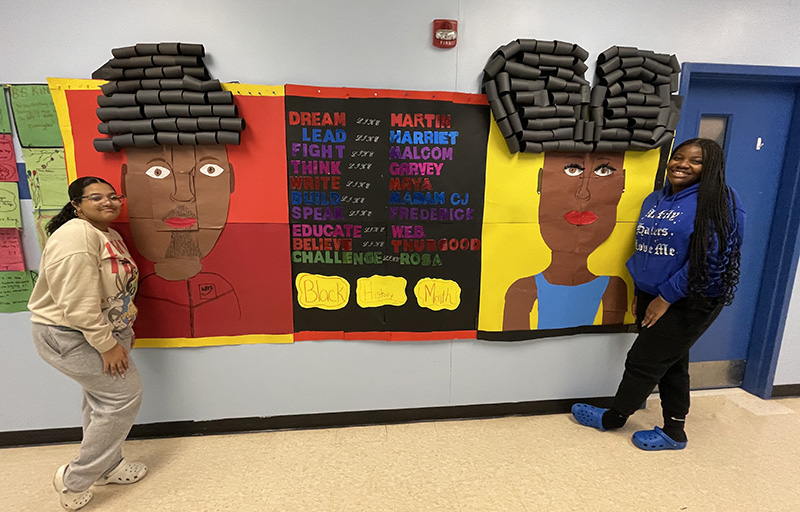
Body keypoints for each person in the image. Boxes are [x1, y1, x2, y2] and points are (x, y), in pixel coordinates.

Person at [571, 138, 745, 451]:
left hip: (692, 299)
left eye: (696, 161)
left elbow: (709, 260)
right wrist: (641, 290)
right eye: (679, 157)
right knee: (671, 363)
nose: (683, 165)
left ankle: (615, 417)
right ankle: (674, 431)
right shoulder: (654, 199)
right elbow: (645, 251)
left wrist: (665, 298)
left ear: (711, 167)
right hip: (654, 296)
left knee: (642, 360)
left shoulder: (720, 201)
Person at [28, 176, 146, 510]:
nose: (108, 202)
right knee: (122, 397)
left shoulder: (106, 234)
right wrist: (106, 344)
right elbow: (76, 302)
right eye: (96, 197)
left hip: (101, 332)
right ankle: (74, 480)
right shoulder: (77, 236)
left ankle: (108, 466)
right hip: (74, 334)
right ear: (76, 204)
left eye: (113, 196)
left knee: (100, 400)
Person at [503, 151, 628, 330]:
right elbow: (513, 343)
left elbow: (606, 341)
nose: (583, 193)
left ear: (622, 186)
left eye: (604, 170)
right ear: (541, 182)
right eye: (571, 169)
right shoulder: (521, 290)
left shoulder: (613, 287)